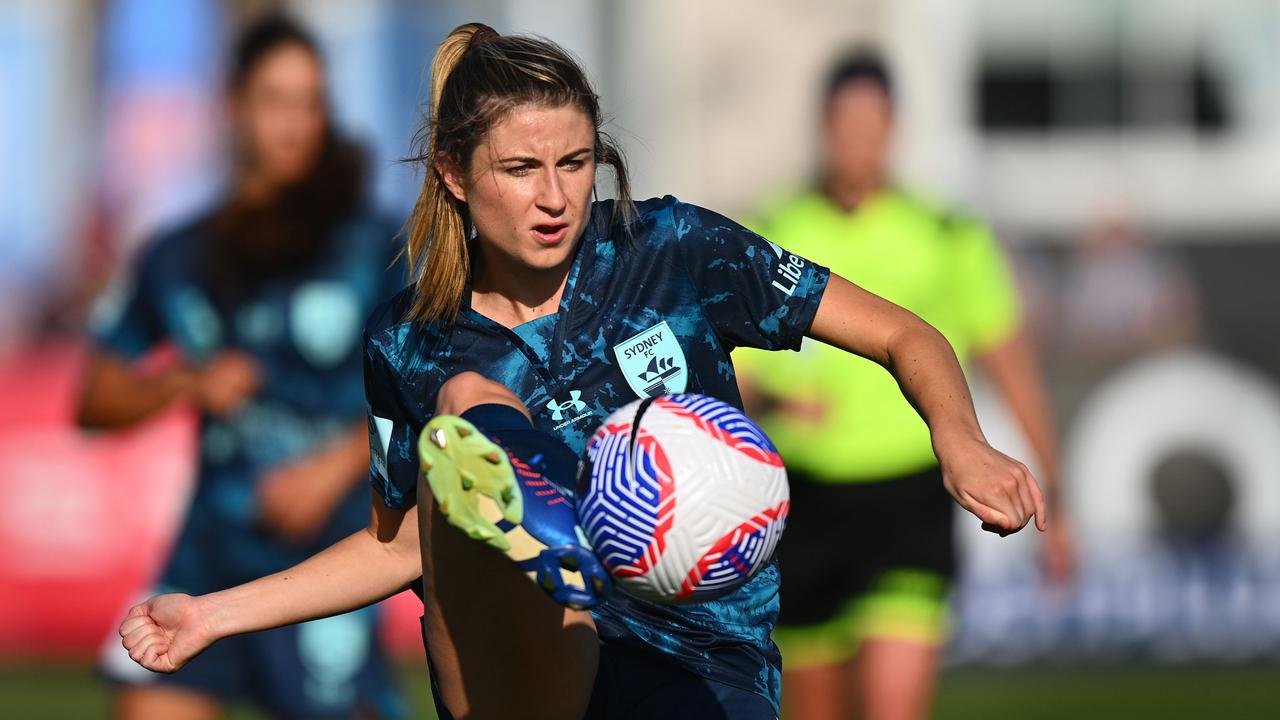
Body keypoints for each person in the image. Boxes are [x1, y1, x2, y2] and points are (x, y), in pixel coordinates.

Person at [116, 24, 1046, 720]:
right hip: (524, 665)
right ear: (453, 173)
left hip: (702, 667)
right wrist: (211, 616)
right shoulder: (410, 338)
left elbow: (905, 334)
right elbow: (401, 546)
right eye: (521, 168)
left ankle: (563, 534)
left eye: (574, 162)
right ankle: (559, 550)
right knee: (464, 406)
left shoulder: (674, 250)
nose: (557, 196)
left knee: (466, 411)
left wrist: (960, 441)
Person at [79, 15, 405, 720]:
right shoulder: (178, 254)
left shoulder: (376, 246)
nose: (295, 123)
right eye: (276, 101)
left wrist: (333, 468)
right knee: (143, 696)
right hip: (209, 557)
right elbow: (94, 398)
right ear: (234, 108)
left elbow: (433, 390)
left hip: (326, 566)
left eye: (310, 103)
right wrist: (182, 381)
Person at [733, 51, 1071, 720]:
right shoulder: (774, 232)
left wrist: (1055, 496)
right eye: (844, 126)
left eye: (872, 126)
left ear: (894, 129)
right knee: (817, 704)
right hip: (801, 496)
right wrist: (772, 399)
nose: (858, 142)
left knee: (892, 706)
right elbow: (732, 382)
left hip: (910, 494)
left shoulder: (948, 236)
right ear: (822, 128)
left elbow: (1012, 369)